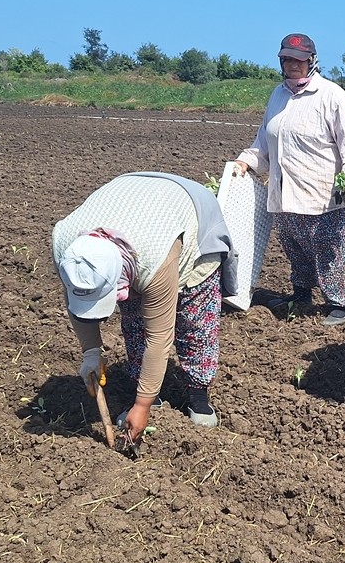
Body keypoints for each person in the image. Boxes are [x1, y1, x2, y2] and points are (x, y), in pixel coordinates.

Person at [52, 172, 237, 442]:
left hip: (188, 214)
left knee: (195, 321)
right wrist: (91, 353)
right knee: (134, 322)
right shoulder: (66, 248)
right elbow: (76, 303)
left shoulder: (153, 260)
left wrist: (141, 406)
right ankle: (154, 395)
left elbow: (159, 337)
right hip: (133, 202)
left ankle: (198, 395)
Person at [233, 33, 345, 327]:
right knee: (295, 247)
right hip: (284, 191)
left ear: (312, 61)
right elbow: (263, 142)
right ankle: (301, 294)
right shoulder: (277, 96)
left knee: (331, 249)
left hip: (323, 193)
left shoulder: (332, 96)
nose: (293, 65)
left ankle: (340, 301)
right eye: (287, 59)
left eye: (299, 60)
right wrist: (245, 161)